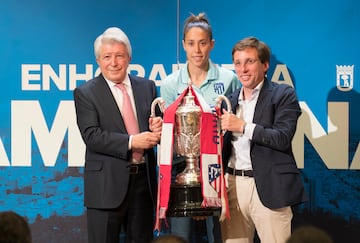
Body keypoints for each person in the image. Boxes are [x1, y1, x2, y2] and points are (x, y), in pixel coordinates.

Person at [73, 27, 162, 243]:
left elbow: (157, 128)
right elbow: (92, 136)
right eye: (107, 57)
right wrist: (133, 141)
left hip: (143, 184)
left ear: (129, 58)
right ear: (98, 60)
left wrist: (159, 128)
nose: (113, 62)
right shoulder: (85, 93)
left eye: (119, 56)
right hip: (106, 186)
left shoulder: (147, 86)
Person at [160, 12, 240, 243]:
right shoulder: (170, 84)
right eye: (192, 43)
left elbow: (232, 131)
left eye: (203, 43)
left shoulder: (228, 79)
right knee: (179, 238)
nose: (197, 50)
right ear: (184, 45)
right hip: (181, 172)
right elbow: (167, 134)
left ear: (212, 45)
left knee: (219, 236)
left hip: (218, 172)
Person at [220, 36, 308, 243]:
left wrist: (242, 126)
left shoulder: (283, 94)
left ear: (265, 65)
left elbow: (282, 138)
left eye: (249, 61)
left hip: (269, 188)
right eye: (238, 63)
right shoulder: (228, 100)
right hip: (232, 186)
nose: (243, 69)